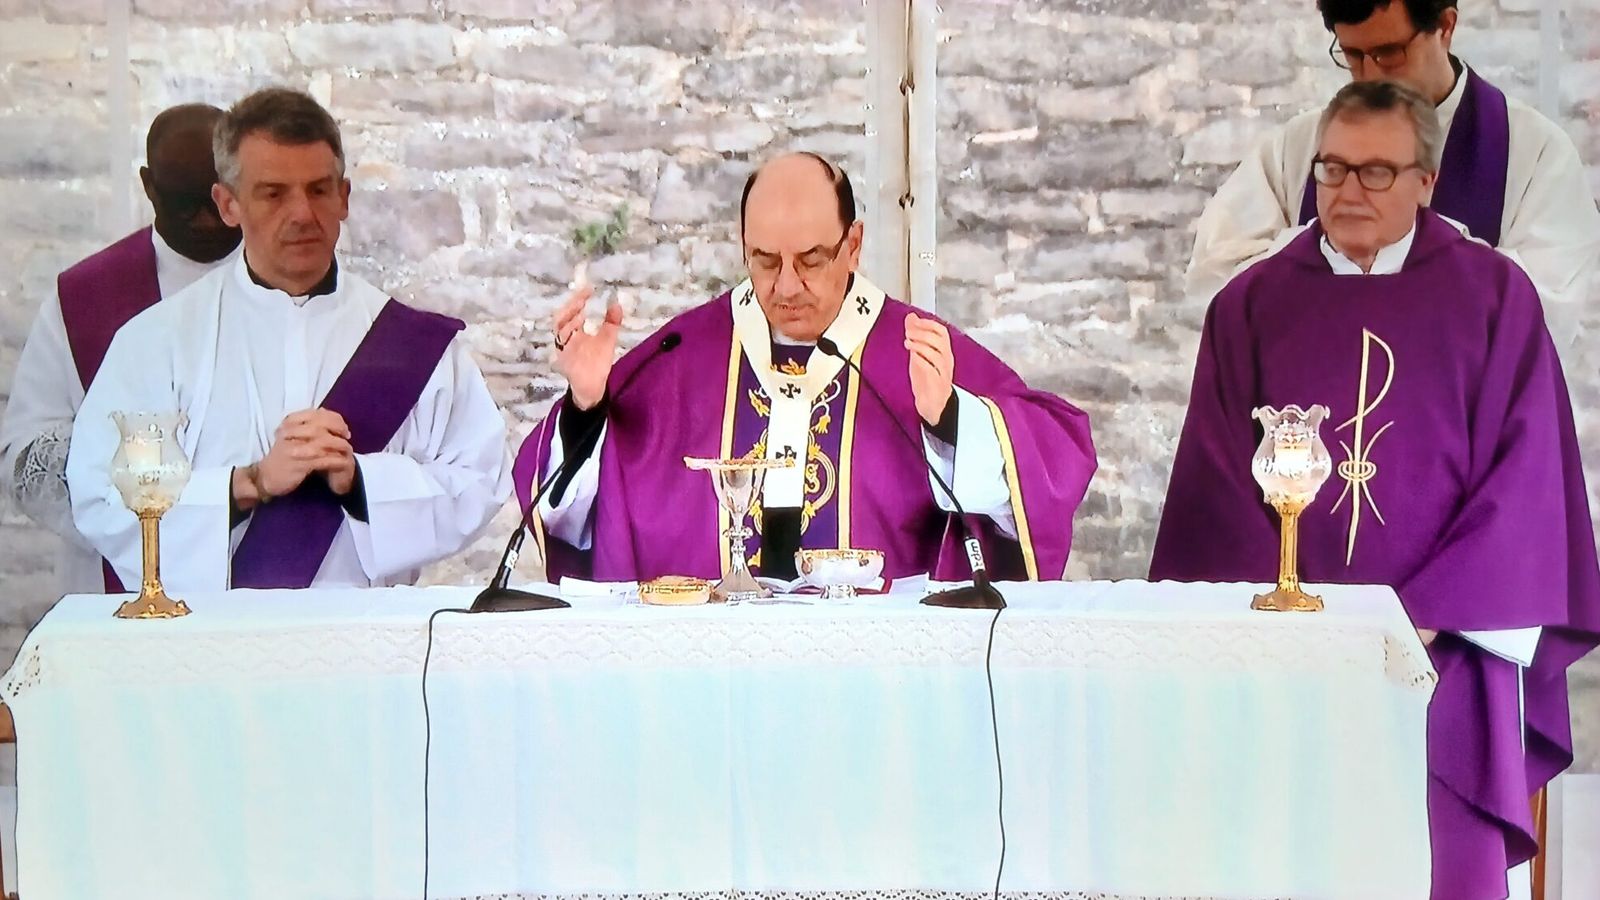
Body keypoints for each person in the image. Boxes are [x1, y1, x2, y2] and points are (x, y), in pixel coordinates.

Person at [1151, 81, 1600, 900]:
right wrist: (1300, 617)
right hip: (1289, 665)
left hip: (1442, 663)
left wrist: (1427, 611)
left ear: (1427, 181)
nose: (1348, 191)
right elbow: (1214, 484)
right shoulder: (1250, 306)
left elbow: (1526, 477)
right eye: (1331, 170)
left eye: (1376, 173)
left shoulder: (1496, 298)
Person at [514, 152, 1096, 583]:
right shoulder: (678, 357)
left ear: (854, 246)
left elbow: (1054, 455)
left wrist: (948, 420)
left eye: (811, 260)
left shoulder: (911, 347)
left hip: (877, 682)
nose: (786, 285)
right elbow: (570, 519)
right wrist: (587, 409)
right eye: (765, 260)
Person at [66, 87, 510, 590]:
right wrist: (245, 485)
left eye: (319, 189)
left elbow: (480, 478)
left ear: (344, 198)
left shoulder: (414, 346)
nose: (301, 213)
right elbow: (100, 494)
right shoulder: (156, 343)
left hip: (368, 644)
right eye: (274, 193)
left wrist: (360, 481)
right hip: (205, 648)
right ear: (228, 203)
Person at [1185, 0, 1600, 360]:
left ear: (1445, 27)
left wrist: (1400, 253)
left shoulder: (1535, 154)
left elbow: (1542, 316)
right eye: (1352, 54)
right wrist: (1327, 250)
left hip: (1459, 435)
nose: (1369, 77)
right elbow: (1219, 285)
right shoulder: (1297, 148)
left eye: (1388, 53)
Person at [1, 103, 242, 595]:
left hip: (262, 571)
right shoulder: (85, 299)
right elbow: (26, 454)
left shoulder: (292, 284)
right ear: (149, 185)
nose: (205, 219)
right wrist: (145, 492)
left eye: (216, 199)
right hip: (122, 580)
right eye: (183, 201)